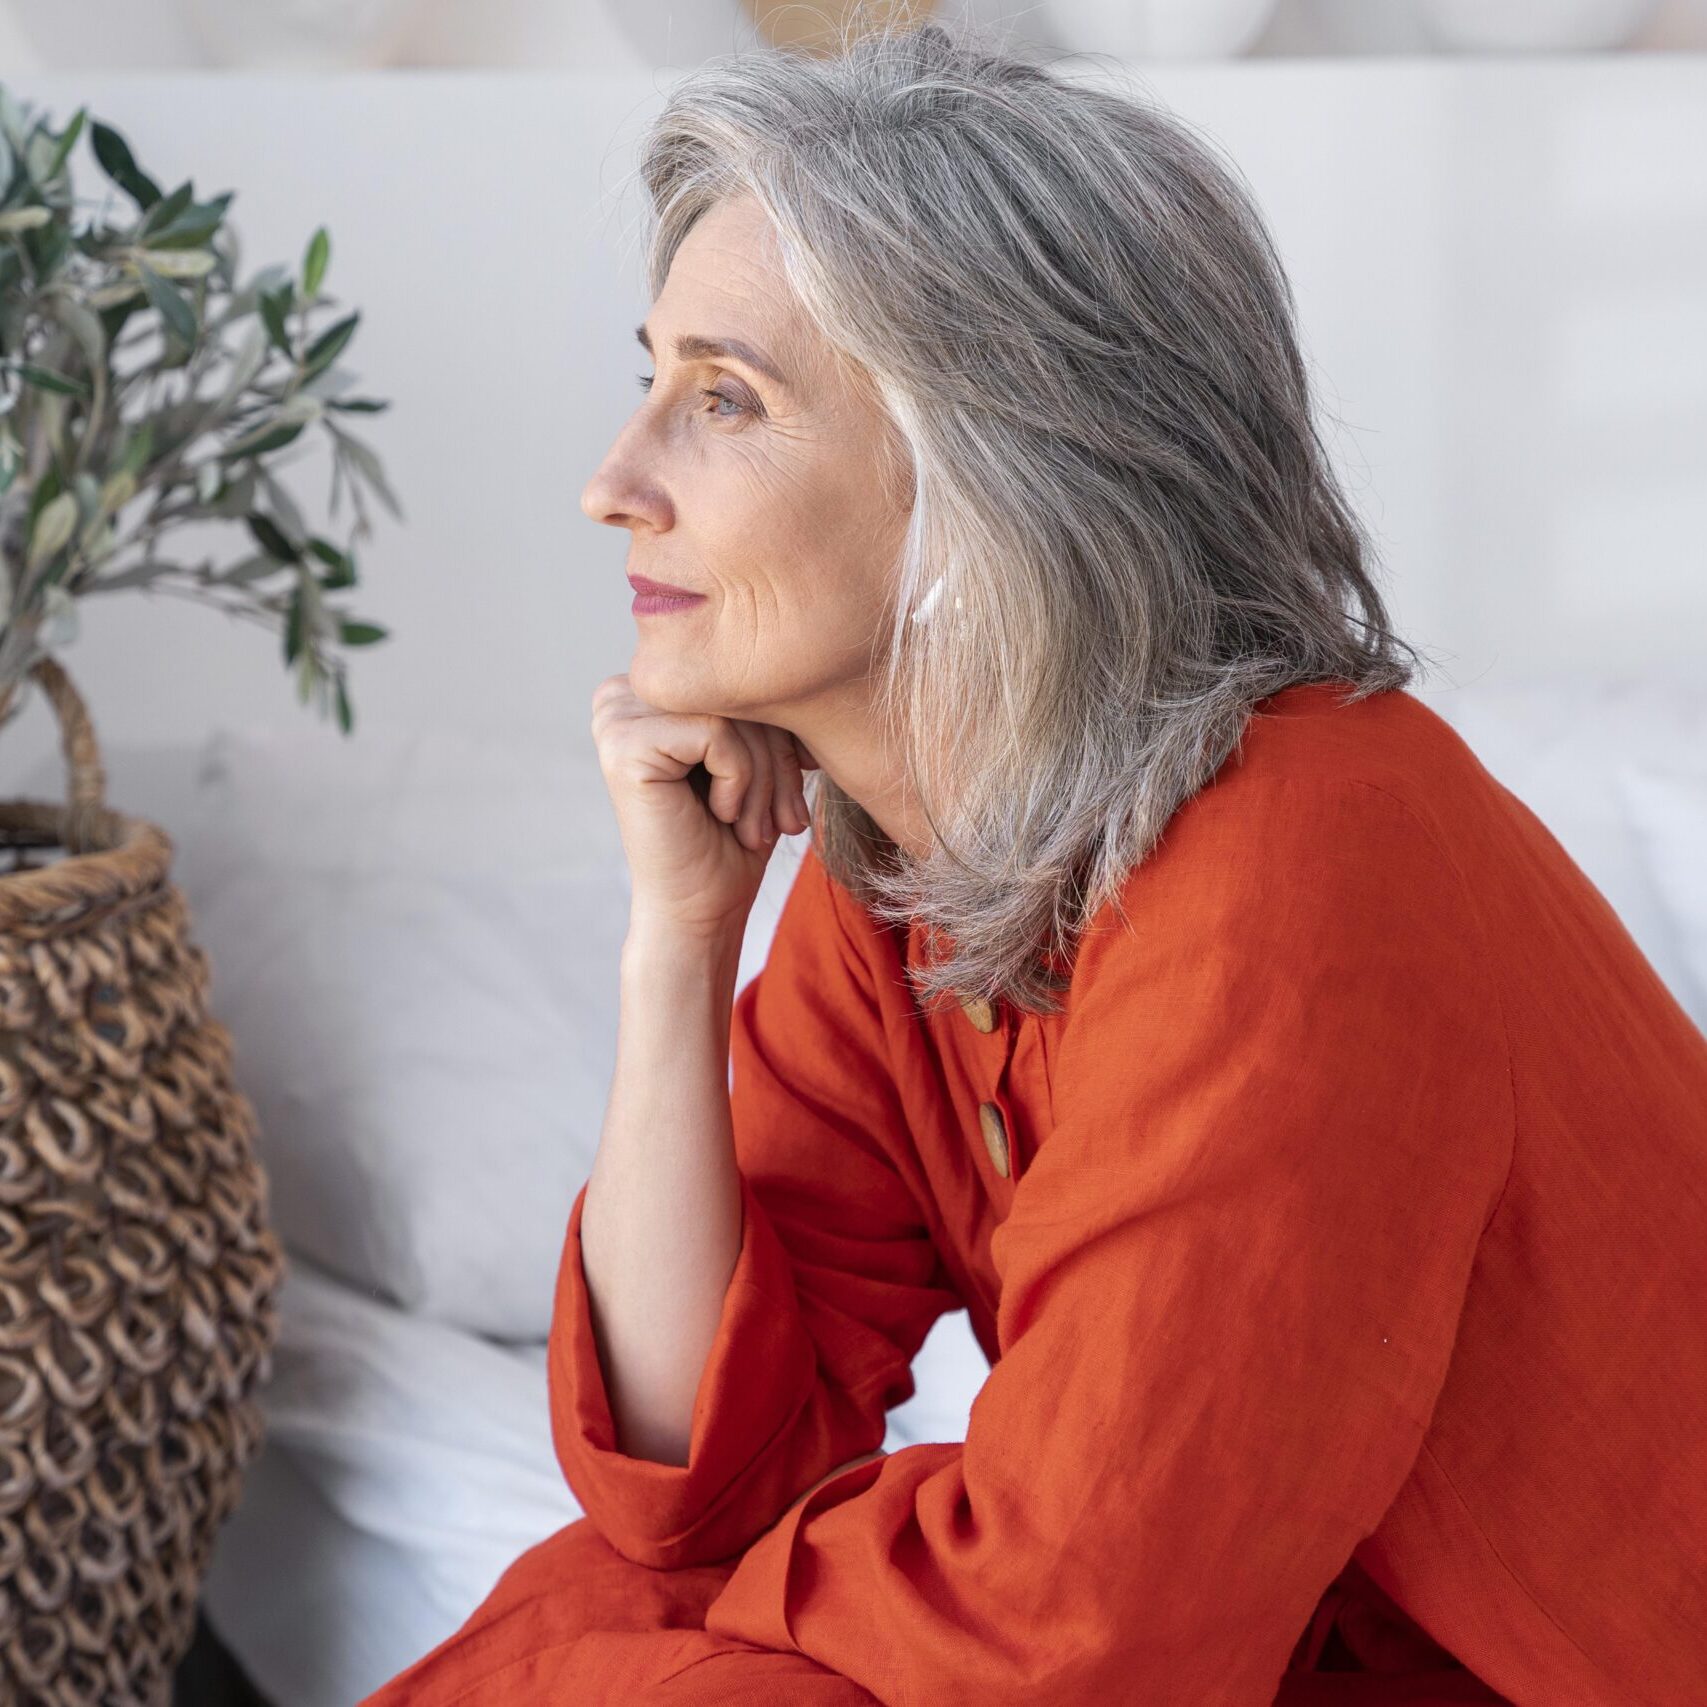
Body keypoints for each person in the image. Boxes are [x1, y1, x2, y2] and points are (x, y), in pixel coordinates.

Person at [359, 20, 1707, 1706]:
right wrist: (677, 947)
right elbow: (692, 1475)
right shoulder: (911, 863)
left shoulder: (1308, 849)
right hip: (1276, 1647)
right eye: (652, 385)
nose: (613, 483)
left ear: (984, 474)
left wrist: (724, 1611)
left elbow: (1079, 1626)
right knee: (606, 1612)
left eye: (723, 398)